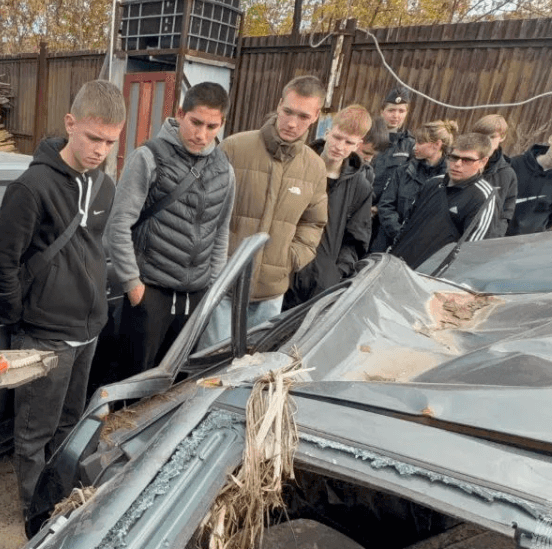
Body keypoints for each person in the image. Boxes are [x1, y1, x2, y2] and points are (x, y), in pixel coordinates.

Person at [0, 80, 127, 536]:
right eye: (92, 138)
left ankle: (63, 499)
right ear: (71, 124)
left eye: (109, 141)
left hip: (87, 331)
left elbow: (92, 252)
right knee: (32, 435)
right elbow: (1, 262)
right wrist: (20, 317)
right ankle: (36, 519)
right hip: (44, 335)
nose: (99, 150)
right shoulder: (32, 187)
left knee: (70, 424)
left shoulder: (104, 187)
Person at [105, 82, 235, 376]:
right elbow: (118, 224)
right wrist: (134, 286)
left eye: (211, 126)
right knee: (134, 383)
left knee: (175, 386)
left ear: (221, 124)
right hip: (150, 295)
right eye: (195, 122)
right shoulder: (148, 157)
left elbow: (220, 232)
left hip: (195, 299)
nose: (201, 134)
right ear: (180, 114)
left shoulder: (225, 169)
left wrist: (212, 289)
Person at [201, 75, 328, 346]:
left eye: (303, 116)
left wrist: (289, 258)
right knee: (209, 372)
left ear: (316, 116)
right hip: (222, 285)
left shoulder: (315, 168)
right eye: (288, 111)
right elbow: (203, 206)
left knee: (254, 373)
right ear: (279, 104)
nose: (292, 123)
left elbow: (314, 223)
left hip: (271, 293)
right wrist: (215, 258)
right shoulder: (234, 148)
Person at [284, 105, 373, 309]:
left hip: (321, 284)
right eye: (337, 137)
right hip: (283, 272)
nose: (339, 146)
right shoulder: (297, 166)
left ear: (358, 144)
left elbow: (356, 238)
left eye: (348, 142)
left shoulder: (360, 187)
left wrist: (336, 272)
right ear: (326, 132)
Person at [389, 133, 497, 268]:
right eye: (454, 157)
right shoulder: (433, 183)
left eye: (467, 160)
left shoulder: (483, 198)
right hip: (397, 266)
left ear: (483, 161)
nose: (457, 164)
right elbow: (407, 224)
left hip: (429, 278)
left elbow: (471, 253)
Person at [372, 119, 458, 251]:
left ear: (437, 144)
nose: (414, 146)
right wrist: (399, 233)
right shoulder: (403, 171)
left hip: (422, 248)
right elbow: (386, 205)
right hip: (388, 242)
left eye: (420, 142)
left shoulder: (450, 179)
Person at [469, 113, 518, 237]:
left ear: (502, 137)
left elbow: (505, 214)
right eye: (481, 136)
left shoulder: (507, 174)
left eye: (491, 137)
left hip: (481, 241)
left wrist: (491, 238)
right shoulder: (457, 161)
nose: (485, 141)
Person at [370, 86, 416, 203]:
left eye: (401, 111)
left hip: (386, 207)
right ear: (382, 112)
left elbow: (406, 183)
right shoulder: (368, 137)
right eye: (391, 110)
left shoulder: (409, 145)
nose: (396, 116)